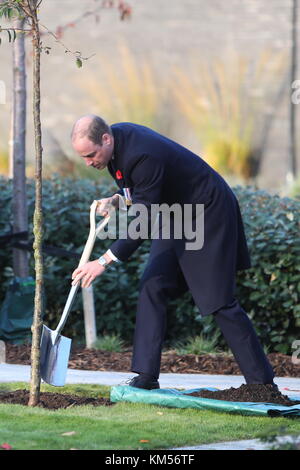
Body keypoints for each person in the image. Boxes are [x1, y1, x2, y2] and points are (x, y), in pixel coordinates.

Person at [71, 114, 276, 390]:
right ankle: (145, 377)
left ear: (106, 138)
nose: (88, 162)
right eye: (83, 157)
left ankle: (262, 383)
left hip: (207, 212)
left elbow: (143, 221)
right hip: (176, 215)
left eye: (91, 155)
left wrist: (104, 261)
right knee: (153, 285)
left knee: (218, 301)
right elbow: (146, 192)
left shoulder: (141, 154)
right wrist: (118, 200)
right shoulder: (115, 148)